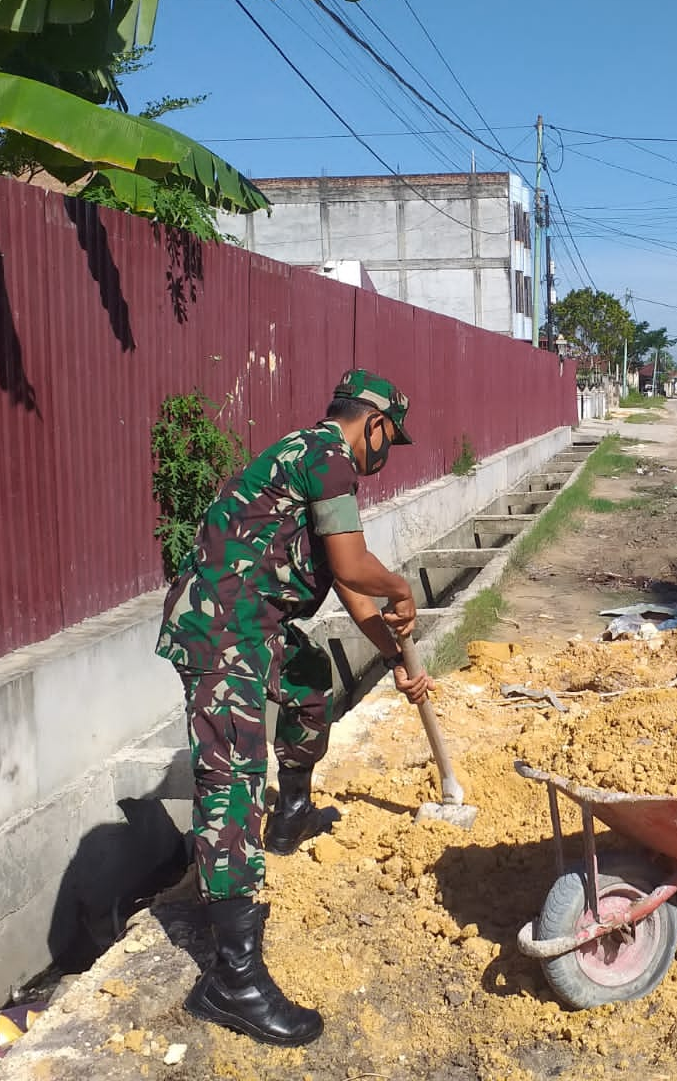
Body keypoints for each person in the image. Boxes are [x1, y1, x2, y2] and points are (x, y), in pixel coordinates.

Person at [155, 368, 432, 1047]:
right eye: (388, 443)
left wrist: (398, 659)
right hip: (221, 628)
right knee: (230, 783)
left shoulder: (309, 459)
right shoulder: (326, 456)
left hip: (257, 622)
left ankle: (294, 814)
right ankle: (234, 981)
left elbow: (349, 588)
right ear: (373, 423)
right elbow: (357, 567)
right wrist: (402, 589)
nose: (382, 458)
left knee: (310, 681)